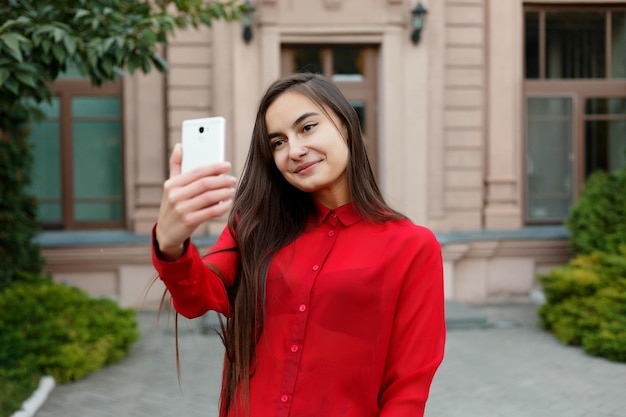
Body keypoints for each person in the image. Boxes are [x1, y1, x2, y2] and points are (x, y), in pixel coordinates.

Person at [152, 73, 445, 417]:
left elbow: (407, 389)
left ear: (346, 124)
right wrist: (170, 243)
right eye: (277, 142)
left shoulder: (412, 246)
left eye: (307, 128)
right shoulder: (254, 227)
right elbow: (198, 297)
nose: (295, 150)